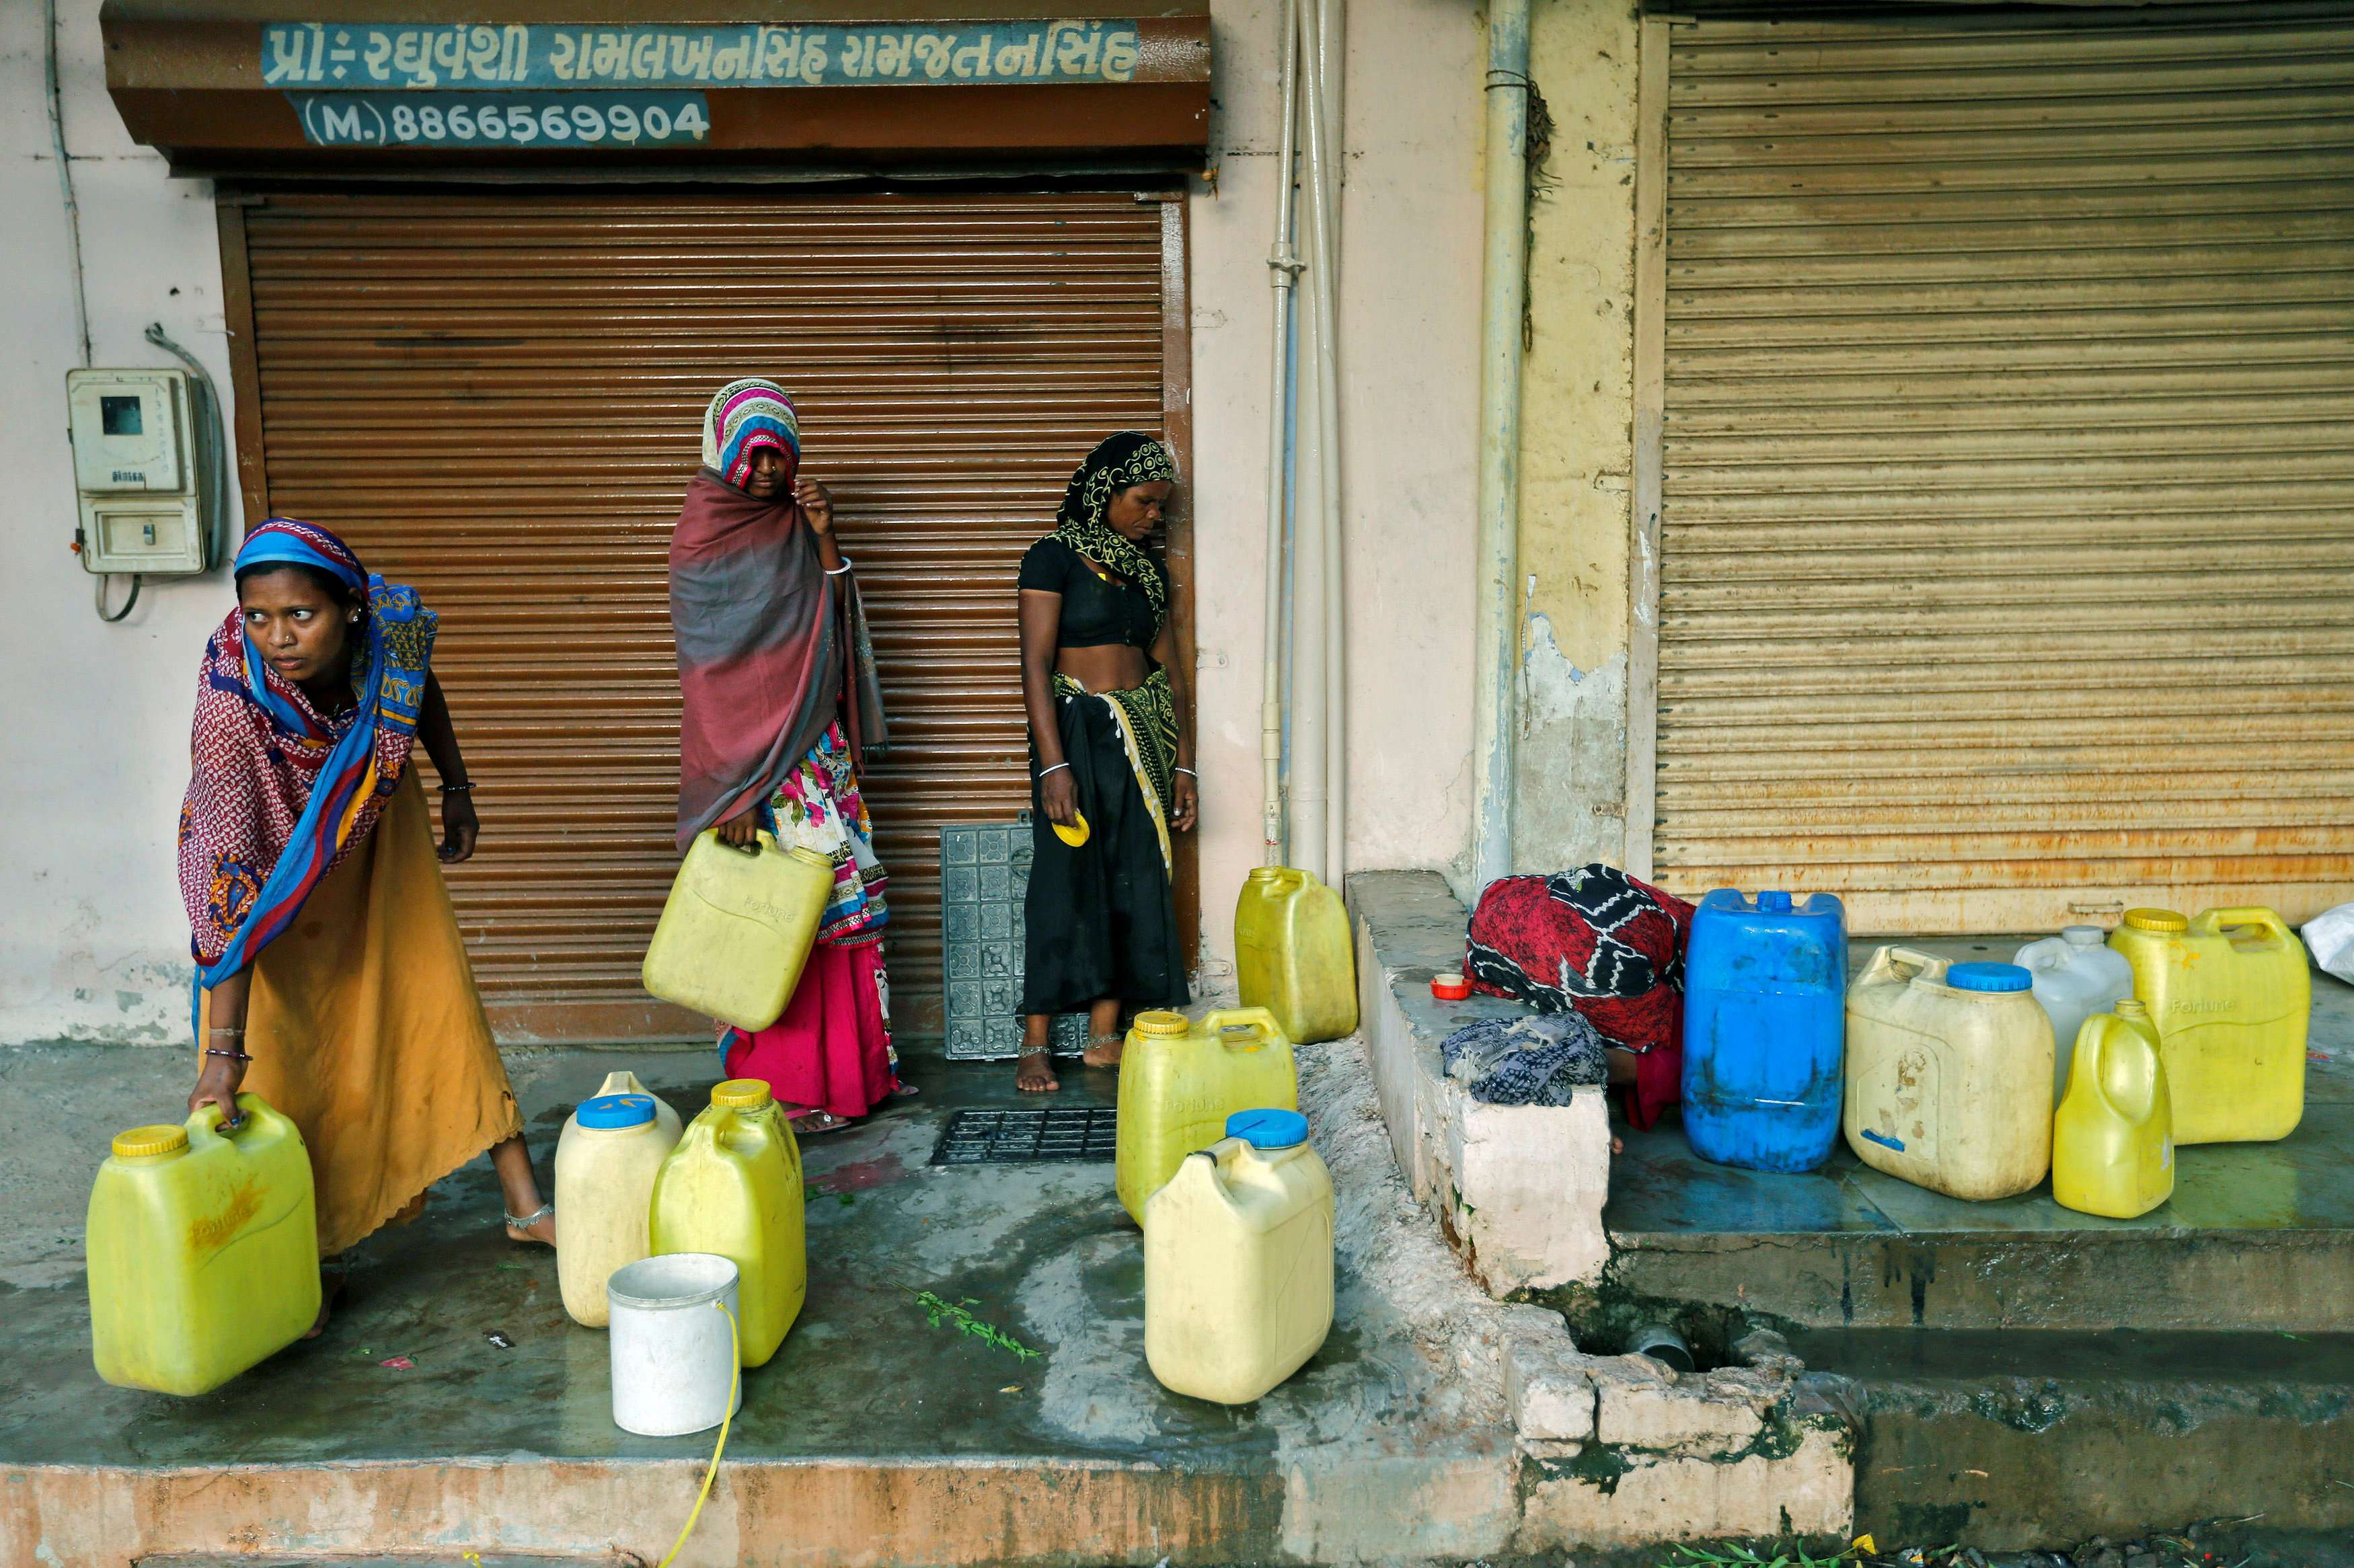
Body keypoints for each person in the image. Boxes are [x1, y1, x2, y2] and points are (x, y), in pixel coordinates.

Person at [182, 519, 552, 1335]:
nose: (278, 638)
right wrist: (220, 1054)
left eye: (300, 617)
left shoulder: (391, 622)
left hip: (375, 834)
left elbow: (417, 689)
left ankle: (525, 1206)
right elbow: (225, 881)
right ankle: (293, 1258)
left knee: (434, 993)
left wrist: (457, 784)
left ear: (349, 609)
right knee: (282, 1056)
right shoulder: (229, 708)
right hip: (272, 878)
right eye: (257, 618)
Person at [671, 378, 904, 1135]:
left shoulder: (795, 521)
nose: (769, 470)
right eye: (755, 454)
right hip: (750, 778)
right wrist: (733, 793)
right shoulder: (703, 533)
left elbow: (834, 617)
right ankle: (782, 1088)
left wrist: (825, 532)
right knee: (766, 926)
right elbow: (708, 674)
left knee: (834, 917)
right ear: (725, 453)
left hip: (815, 757)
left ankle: (849, 1081)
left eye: (781, 454)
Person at [1016, 432, 1197, 1092]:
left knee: (1131, 880)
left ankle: (1103, 1036)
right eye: (1144, 502)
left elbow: (1171, 677)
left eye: (1162, 507)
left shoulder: (1148, 575)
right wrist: (1050, 764)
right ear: (1105, 491)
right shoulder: (1052, 558)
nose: (1154, 516)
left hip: (1142, 740)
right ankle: (1033, 1042)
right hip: (1075, 736)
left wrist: (1185, 765)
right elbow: (1035, 665)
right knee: (1062, 883)